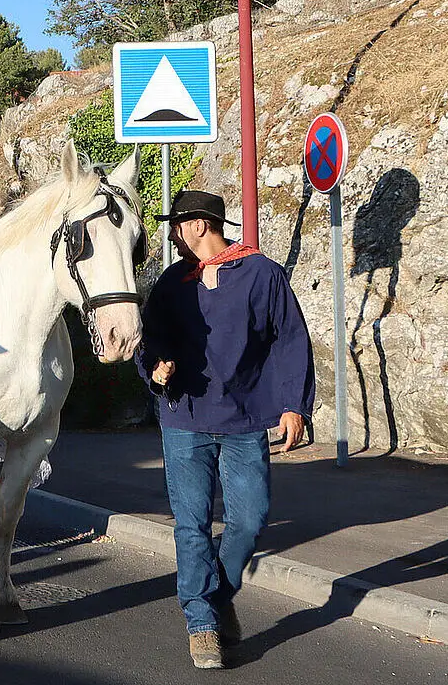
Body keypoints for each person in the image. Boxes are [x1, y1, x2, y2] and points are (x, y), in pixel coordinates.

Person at [137, 189, 315, 670]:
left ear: (198, 225)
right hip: (184, 418)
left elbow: (291, 340)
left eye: (177, 226)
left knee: (250, 520)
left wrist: (294, 406)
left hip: (245, 419)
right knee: (191, 524)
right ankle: (200, 623)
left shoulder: (262, 274)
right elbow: (148, 339)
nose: (173, 236)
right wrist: (154, 368)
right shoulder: (172, 283)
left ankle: (214, 599)